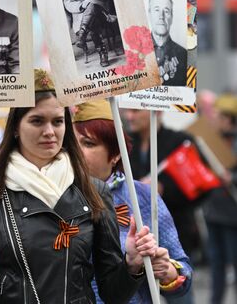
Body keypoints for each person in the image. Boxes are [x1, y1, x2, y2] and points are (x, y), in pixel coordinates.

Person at [0, 69, 157, 303]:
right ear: (15, 127)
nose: (49, 132)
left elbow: (113, 294)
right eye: (37, 121)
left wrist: (132, 264)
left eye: (57, 121)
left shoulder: (94, 192)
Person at [73, 99, 192, 304]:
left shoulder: (141, 197)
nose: (76, 152)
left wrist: (168, 271)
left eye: (88, 143)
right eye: (71, 144)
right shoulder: (53, 196)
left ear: (116, 154)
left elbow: (183, 272)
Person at [124, 108, 203, 265]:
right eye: (128, 111)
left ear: (157, 111)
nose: (129, 116)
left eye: (136, 111)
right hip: (134, 236)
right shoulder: (124, 142)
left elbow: (200, 188)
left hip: (176, 232)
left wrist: (163, 188)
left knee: (179, 281)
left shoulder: (181, 142)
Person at [201, 93, 237, 304]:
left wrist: (230, 176)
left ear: (231, 119)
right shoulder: (211, 140)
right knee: (216, 263)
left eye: (221, 117)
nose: (217, 120)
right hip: (212, 210)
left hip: (232, 214)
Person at [148, 0, 188, 86]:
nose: (161, 16)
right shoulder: (134, 53)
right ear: (149, 14)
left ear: (172, 17)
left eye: (166, 11)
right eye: (156, 10)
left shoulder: (184, 55)